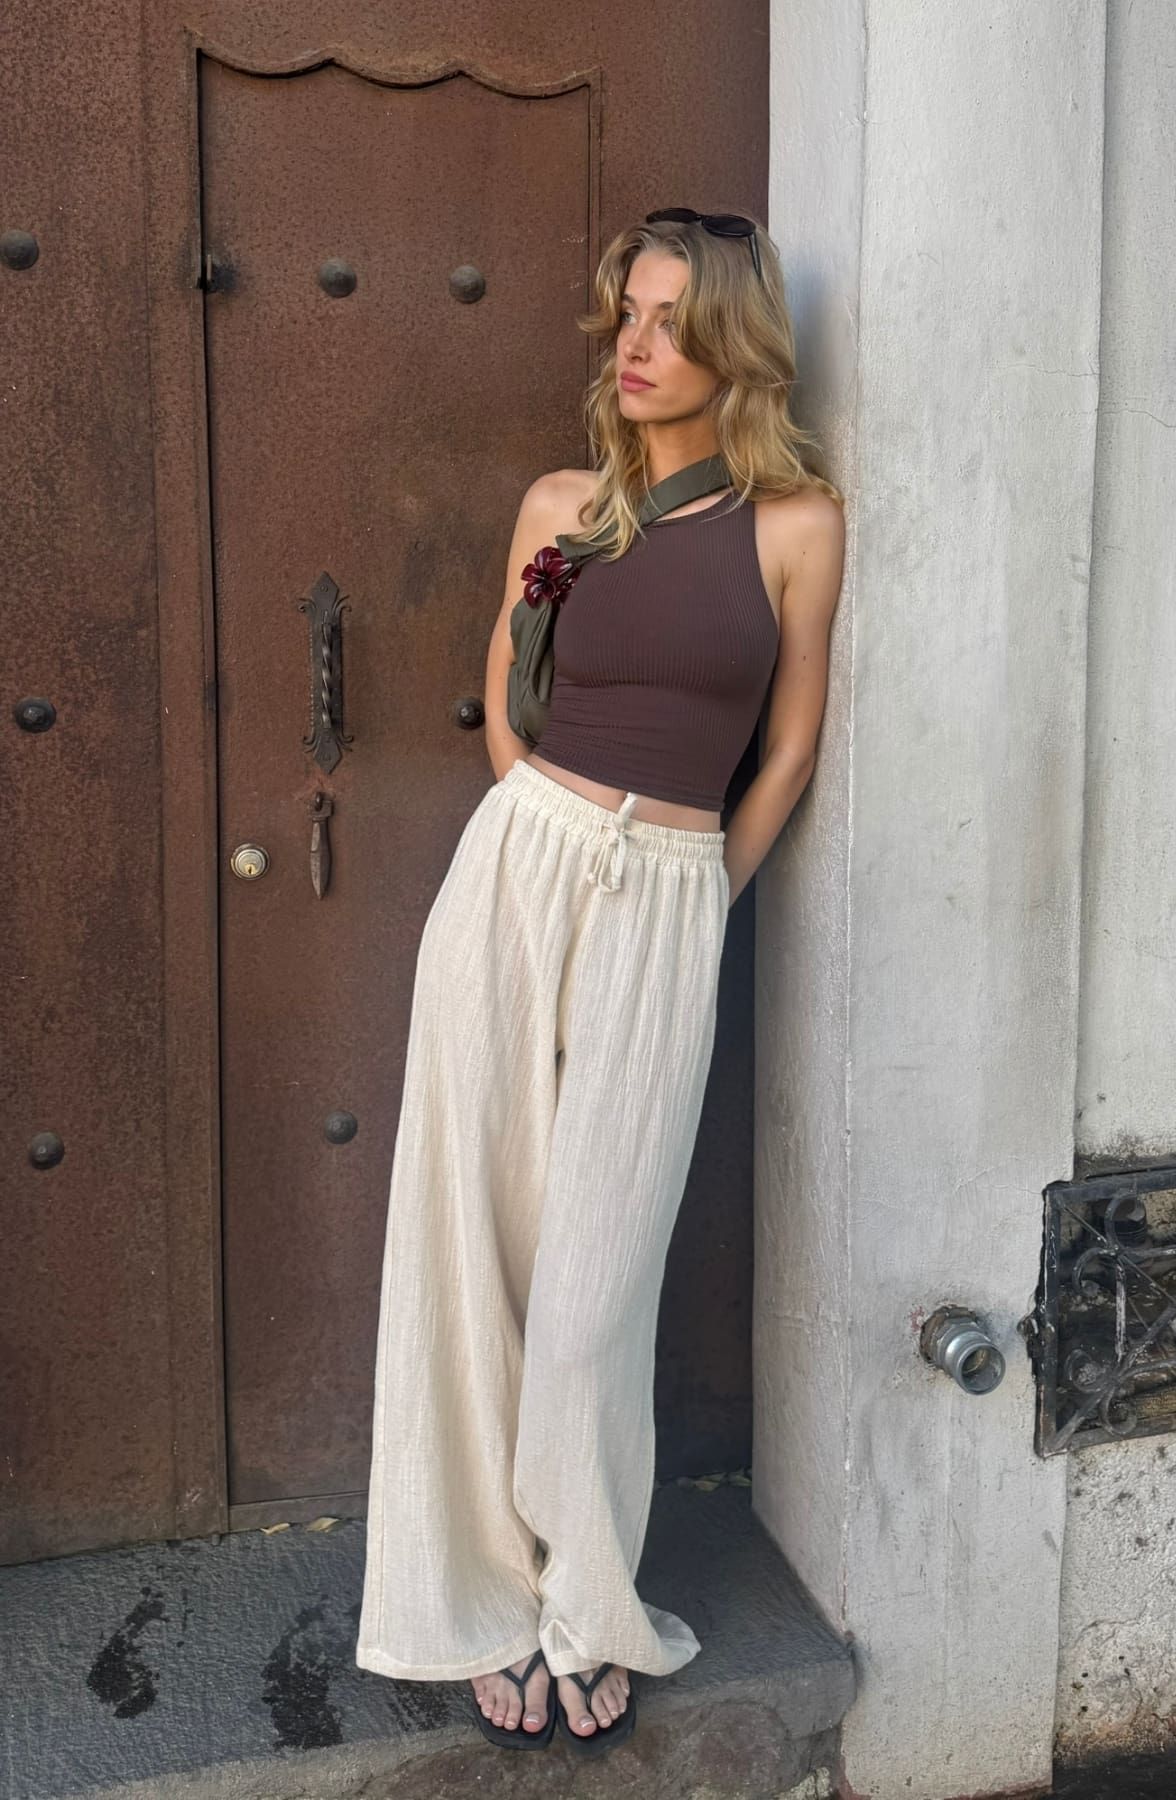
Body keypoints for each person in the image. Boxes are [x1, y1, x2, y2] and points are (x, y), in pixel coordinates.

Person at [355, 208, 845, 1755]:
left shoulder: (797, 522)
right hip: (519, 869)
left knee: (593, 1285)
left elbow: (788, 750)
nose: (634, 347)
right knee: (472, 1239)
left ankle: (586, 1600)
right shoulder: (563, 507)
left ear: (736, 345)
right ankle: (482, 1595)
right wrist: (544, 834)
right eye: (627, 314)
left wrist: (691, 895)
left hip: (671, 893)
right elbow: (509, 693)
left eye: (670, 322)